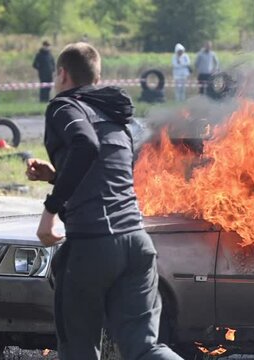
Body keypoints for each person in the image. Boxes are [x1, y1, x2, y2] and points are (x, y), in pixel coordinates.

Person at [25, 42, 183, 360]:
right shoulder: (117, 115)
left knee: (78, 349)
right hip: (137, 244)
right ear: (98, 76)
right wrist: (57, 176)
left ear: (62, 73)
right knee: (145, 348)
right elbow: (107, 172)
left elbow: (85, 144)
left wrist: (50, 210)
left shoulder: (63, 106)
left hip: (93, 244)